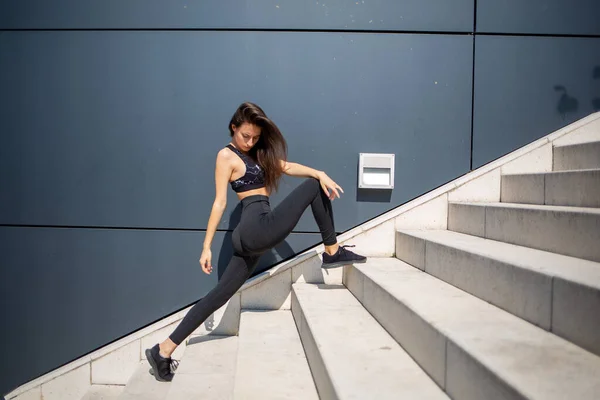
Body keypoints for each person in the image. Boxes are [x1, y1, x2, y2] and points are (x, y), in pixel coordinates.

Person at [145, 102, 367, 381]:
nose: (250, 142)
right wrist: (206, 247)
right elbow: (219, 202)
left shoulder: (259, 154)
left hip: (254, 232)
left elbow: (287, 166)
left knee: (218, 296)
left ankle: (163, 350)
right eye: (245, 136)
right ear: (233, 127)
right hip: (253, 228)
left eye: (256, 137)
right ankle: (332, 251)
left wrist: (318, 171)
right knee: (313, 188)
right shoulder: (225, 156)